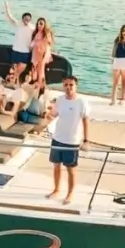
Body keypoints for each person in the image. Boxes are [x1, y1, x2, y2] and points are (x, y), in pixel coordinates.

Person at [45, 75, 91, 205]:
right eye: (66, 85)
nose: (68, 87)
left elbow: (86, 120)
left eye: (71, 85)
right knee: (56, 166)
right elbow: (53, 115)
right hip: (57, 138)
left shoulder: (82, 101)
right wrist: (47, 113)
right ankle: (56, 190)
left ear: (76, 86)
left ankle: (70, 193)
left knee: (71, 169)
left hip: (72, 141)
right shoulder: (60, 100)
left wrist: (86, 140)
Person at [3, 2, 34, 79]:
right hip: (16, 50)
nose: (27, 20)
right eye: (25, 19)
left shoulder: (32, 28)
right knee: (14, 69)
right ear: (22, 19)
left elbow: (38, 38)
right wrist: (7, 7)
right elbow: (10, 17)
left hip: (26, 52)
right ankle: (13, 81)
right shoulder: (18, 24)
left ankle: (12, 80)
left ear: (30, 20)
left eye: (28, 19)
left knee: (21, 69)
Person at [30, 17, 54, 85]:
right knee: (35, 70)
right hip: (35, 53)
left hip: (42, 54)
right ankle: (38, 84)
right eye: (38, 24)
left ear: (44, 25)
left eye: (41, 24)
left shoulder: (46, 34)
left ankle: (41, 86)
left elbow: (48, 45)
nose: (39, 25)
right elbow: (34, 42)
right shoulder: (36, 32)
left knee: (41, 71)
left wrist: (44, 55)